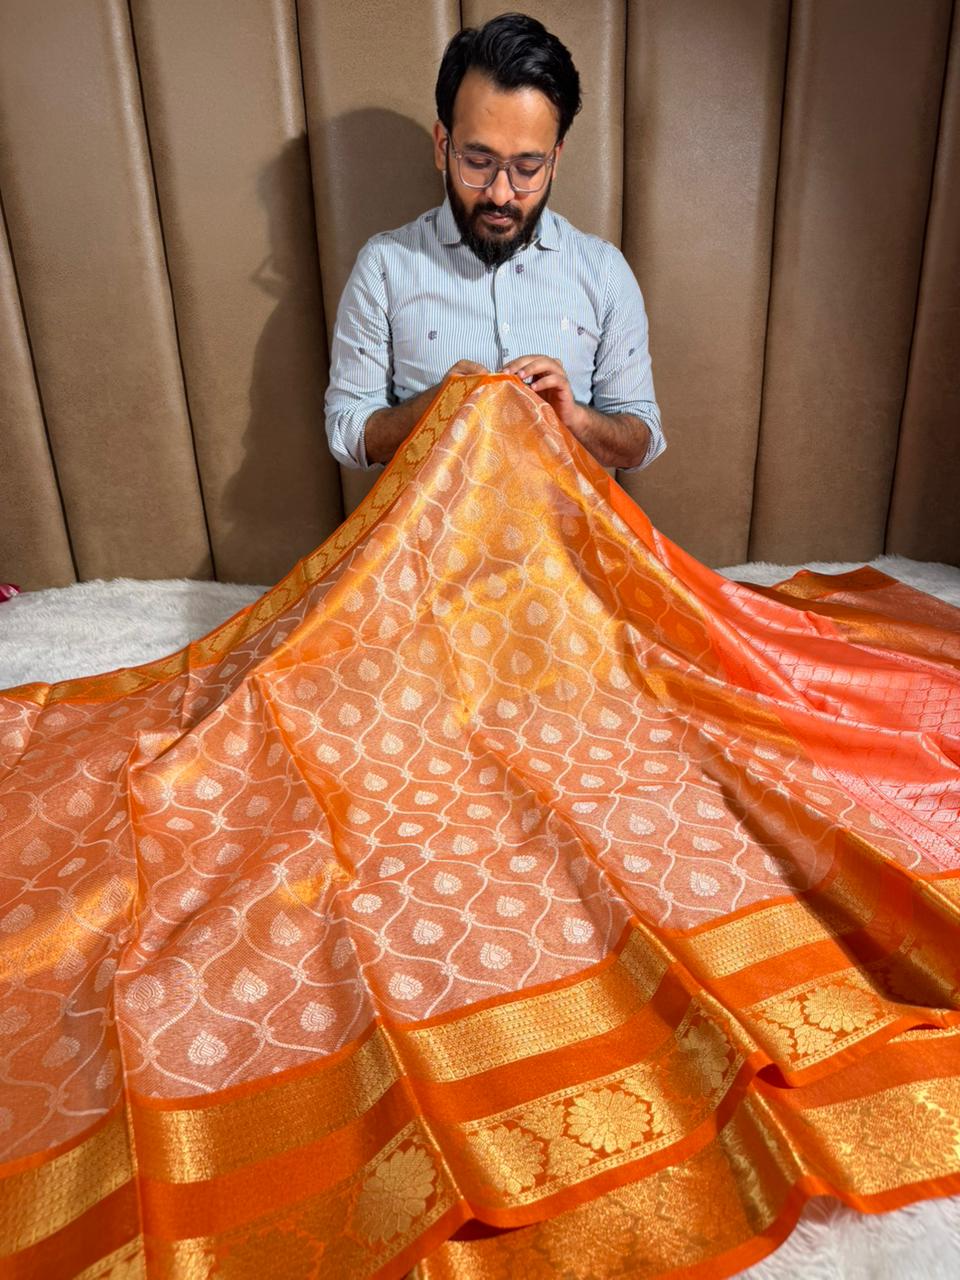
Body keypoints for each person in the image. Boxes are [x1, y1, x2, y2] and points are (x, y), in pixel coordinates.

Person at [325, 12, 664, 475]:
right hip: (430, 544)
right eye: (479, 161)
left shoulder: (603, 273)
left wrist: (577, 420)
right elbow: (346, 434)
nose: (501, 194)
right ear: (443, 144)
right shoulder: (385, 268)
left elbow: (641, 439)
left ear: (555, 159)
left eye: (527, 168)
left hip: (563, 542)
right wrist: (433, 409)